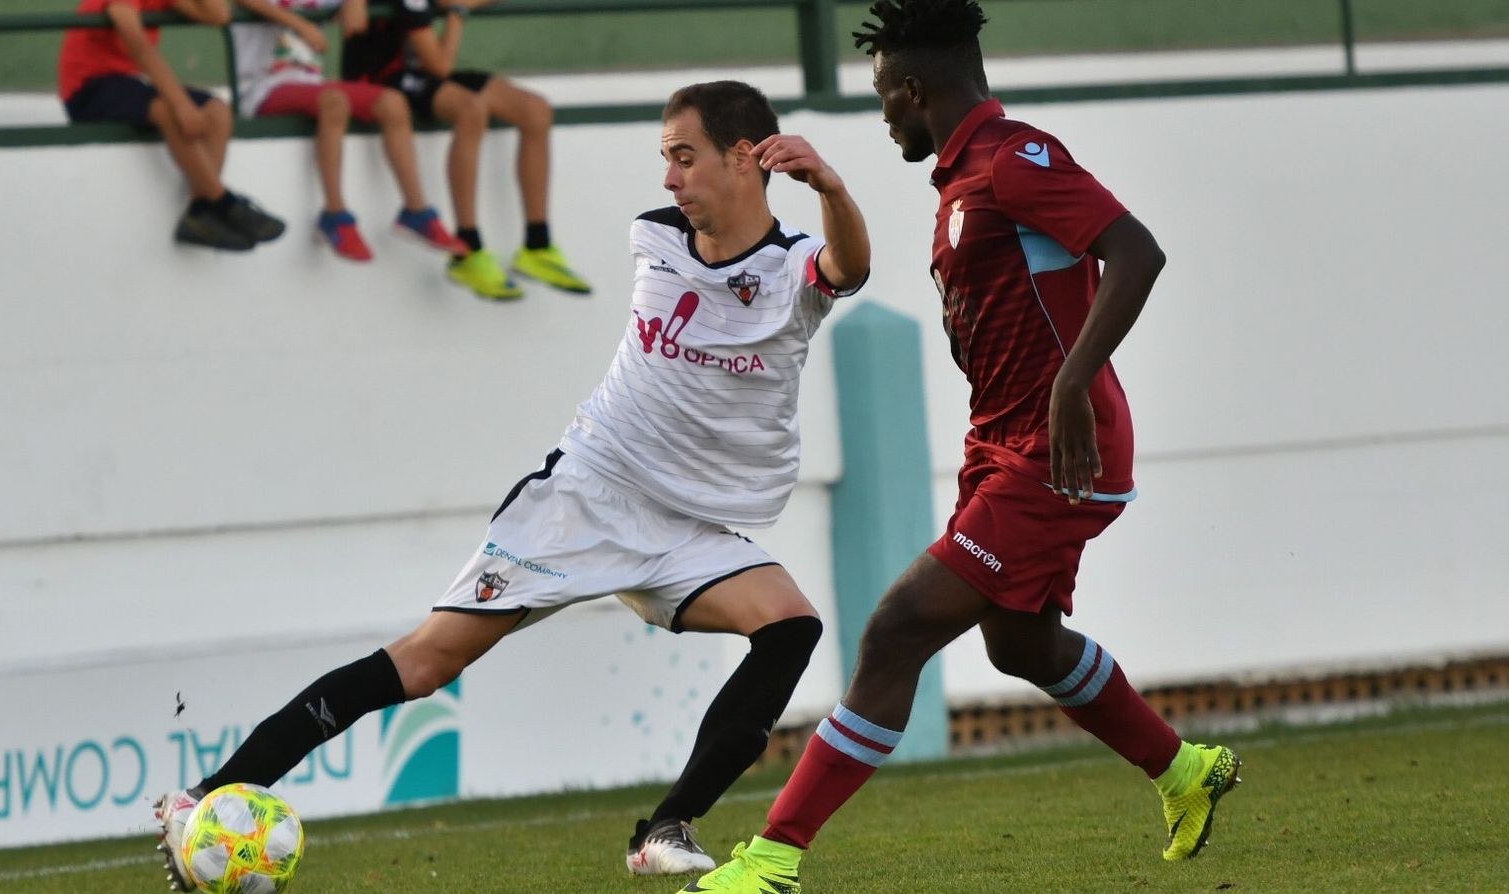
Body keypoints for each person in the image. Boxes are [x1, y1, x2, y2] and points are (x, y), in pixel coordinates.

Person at [152, 79, 871, 890]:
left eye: (683, 156)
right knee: (425, 664)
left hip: (687, 526)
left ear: (746, 157)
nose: (668, 178)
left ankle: (666, 825)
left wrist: (835, 188)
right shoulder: (655, 237)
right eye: (663, 159)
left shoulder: (792, 270)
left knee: (790, 627)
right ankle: (205, 799)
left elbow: (848, 265)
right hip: (584, 498)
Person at [680, 2, 1240, 891]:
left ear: (913, 88)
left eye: (883, 97)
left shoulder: (1017, 161)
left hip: (1062, 452)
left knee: (897, 629)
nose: (884, 115)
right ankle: (1185, 770)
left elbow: (1137, 254)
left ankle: (775, 858)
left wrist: (1067, 387)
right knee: (1020, 645)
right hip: (1004, 447)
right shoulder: (959, 180)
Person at [339, 0, 590, 298]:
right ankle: (467, 249)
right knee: (471, 109)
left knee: (535, 110)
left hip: (423, 73)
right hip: (381, 78)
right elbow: (441, 65)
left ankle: (537, 246)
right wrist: (458, 12)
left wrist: (459, 4)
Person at [230, 0, 470, 261]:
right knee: (335, 101)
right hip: (261, 87)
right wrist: (299, 24)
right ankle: (335, 214)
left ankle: (416, 211)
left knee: (392, 103)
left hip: (311, 84)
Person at [58, 0, 286, 251]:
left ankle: (200, 212)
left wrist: (180, 102)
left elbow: (218, 14)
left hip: (129, 82)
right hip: (88, 87)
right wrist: (180, 103)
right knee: (169, 111)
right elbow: (139, 45)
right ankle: (224, 202)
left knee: (217, 111)